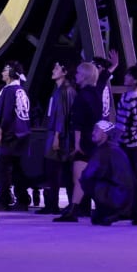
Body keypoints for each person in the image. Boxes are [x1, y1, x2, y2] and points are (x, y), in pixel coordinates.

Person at [56, 61, 102, 221]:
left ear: (84, 76)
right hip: (94, 139)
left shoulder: (82, 96)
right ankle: (75, 209)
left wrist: (77, 144)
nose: (75, 76)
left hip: (83, 141)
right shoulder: (96, 94)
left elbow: (78, 122)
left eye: (78, 73)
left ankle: (75, 210)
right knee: (84, 178)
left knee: (80, 178)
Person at [37, 61, 76, 215]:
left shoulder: (64, 91)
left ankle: (53, 203)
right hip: (59, 134)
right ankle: (60, 203)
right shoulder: (63, 90)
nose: (53, 70)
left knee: (55, 171)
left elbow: (61, 115)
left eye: (57, 68)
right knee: (61, 171)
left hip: (58, 135)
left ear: (64, 72)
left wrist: (57, 137)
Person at [79, 120, 136, 225]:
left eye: (96, 130)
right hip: (126, 198)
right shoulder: (115, 149)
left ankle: (107, 211)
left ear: (104, 134)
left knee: (87, 181)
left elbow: (87, 175)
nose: (93, 133)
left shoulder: (103, 151)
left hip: (117, 196)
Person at [113, 64, 137, 223]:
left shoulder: (128, 98)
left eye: (129, 75)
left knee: (126, 178)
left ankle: (128, 209)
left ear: (134, 80)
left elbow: (121, 125)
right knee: (136, 178)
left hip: (126, 143)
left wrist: (113, 143)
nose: (125, 77)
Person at [0, 61, 32, 211]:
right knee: (17, 169)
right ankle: (22, 199)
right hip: (22, 134)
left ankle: (4, 200)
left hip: (10, 135)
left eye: (4, 70)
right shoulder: (21, 90)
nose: (2, 73)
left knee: (4, 169)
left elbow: (7, 114)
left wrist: (0, 130)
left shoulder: (9, 91)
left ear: (11, 73)